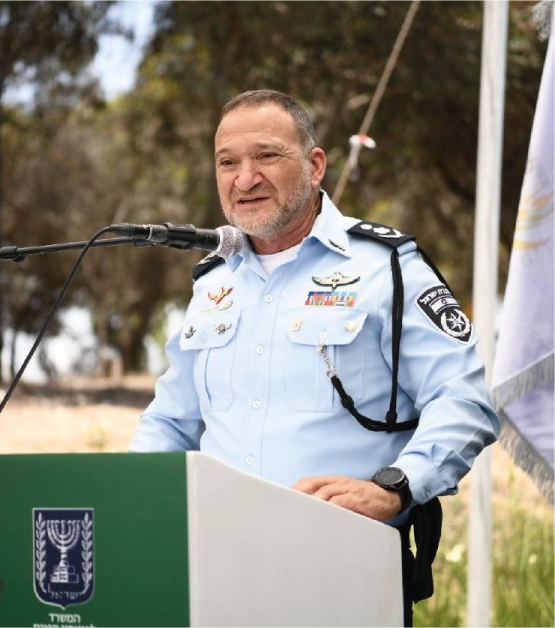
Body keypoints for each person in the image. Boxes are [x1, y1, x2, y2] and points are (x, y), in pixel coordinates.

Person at [128, 90, 499, 624]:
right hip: (217, 571)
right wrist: (125, 499)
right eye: (228, 162)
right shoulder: (212, 284)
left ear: (316, 165)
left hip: (343, 573)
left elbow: (464, 400)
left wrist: (395, 488)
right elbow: (172, 421)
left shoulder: (386, 267)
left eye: (268, 156)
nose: (245, 177)